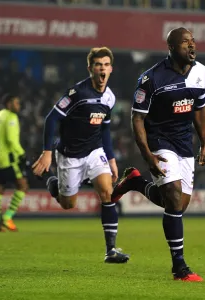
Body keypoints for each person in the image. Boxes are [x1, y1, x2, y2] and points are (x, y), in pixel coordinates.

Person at [111, 28, 205, 281]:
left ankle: (134, 181)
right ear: (171, 47)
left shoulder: (201, 73)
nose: (191, 46)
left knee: (178, 204)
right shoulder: (151, 79)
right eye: (185, 42)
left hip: (184, 143)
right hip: (159, 139)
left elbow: (199, 110)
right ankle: (179, 267)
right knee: (174, 199)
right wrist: (147, 155)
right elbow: (137, 119)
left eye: (193, 41)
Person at [32, 47, 129, 264]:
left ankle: (111, 250)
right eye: (98, 65)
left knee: (107, 192)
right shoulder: (77, 94)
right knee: (69, 204)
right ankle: (54, 185)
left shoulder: (110, 98)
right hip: (70, 156)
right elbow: (51, 119)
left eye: (105, 64)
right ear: (90, 69)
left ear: (111, 69)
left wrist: (111, 159)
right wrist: (47, 153)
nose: (102, 69)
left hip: (95, 152)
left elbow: (104, 129)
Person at [0, 94, 29, 232]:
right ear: (9, 103)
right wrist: (21, 153)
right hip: (8, 158)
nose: (19, 106)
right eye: (16, 103)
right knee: (22, 185)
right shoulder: (11, 117)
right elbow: (11, 140)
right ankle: (7, 218)